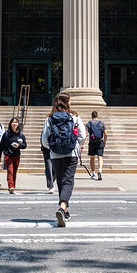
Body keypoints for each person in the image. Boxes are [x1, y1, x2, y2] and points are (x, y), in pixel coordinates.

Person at [41, 92, 85, 227]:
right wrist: (75, 144)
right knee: (68, 182)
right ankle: (62, 207)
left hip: (55, 155)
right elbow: (82, 135)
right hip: (71, 153)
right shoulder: (75, 116)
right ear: (68, 102)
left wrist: (53, 148)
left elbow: (44, 140)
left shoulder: (49, 118)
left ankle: (65, 211)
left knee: (61, 182)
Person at [0, 116, 27, 194]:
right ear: (10, 124)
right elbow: (1, 145)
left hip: (16, 155)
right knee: (10, 171)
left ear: (18, 124)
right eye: (13, 122)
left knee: (14, 172)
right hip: (8, 155)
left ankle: (13, 186)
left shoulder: (20, 134)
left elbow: (24, 145)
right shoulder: (6, 134)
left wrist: (19, 145)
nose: (15, 124)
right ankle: (11, 186)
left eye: (16, 122)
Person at [86, 110, 107, 180]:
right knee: (100, 157)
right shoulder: (102, 123)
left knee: (92, 158)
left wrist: (82, 143)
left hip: (92, 142)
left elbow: (85, 134)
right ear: (97, 116)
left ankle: (93, 173)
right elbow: (106, 134)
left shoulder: (88, 124)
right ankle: (100, 170)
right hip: (99, 142)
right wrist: (104, 142)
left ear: (91, 116)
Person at [39, 111, 55, 193]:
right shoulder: (48, 122)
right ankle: (50, 185)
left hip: (56, 148)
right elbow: (43, 137)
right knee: (49, 167)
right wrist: (45, 146)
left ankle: (52, 181)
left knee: (55, 168)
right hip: (47, 149)